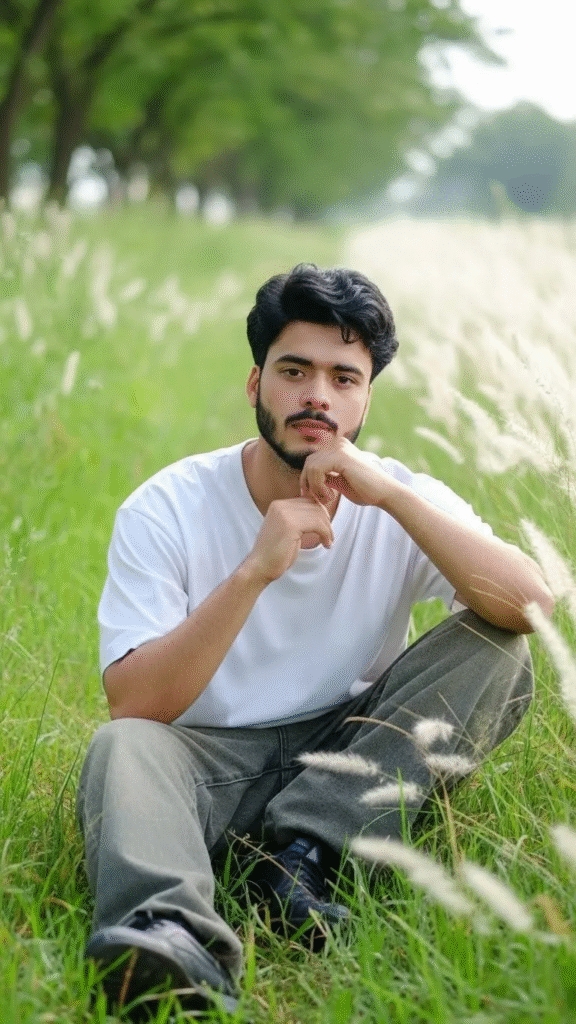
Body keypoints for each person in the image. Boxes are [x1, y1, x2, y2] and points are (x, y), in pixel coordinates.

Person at [78, 264, 551, 1017]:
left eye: (343, 377)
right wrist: (253, 574)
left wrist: (392, 498)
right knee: (121, 749)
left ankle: (301, 857)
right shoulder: (167, 506)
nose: (317, 397)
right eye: (294, 371)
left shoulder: (399, 495)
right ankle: (170, 936)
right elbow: (135, 702)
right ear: (255, 383)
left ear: (367, 396)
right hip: (211, 760)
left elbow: (534, 603)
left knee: (502, 646)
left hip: (352, 749)